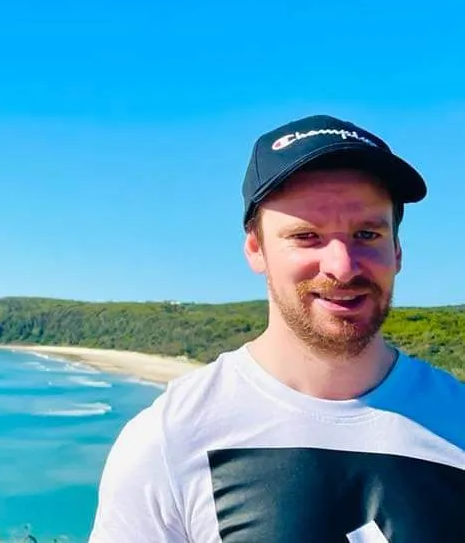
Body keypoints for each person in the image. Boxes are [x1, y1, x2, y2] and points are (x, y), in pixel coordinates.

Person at [87, 114, 465, 542]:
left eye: (366, 234)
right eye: (306, 236)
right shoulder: (170, 442)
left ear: (396, 250)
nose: (341, 266)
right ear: (256, 249)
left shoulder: (457, 421)